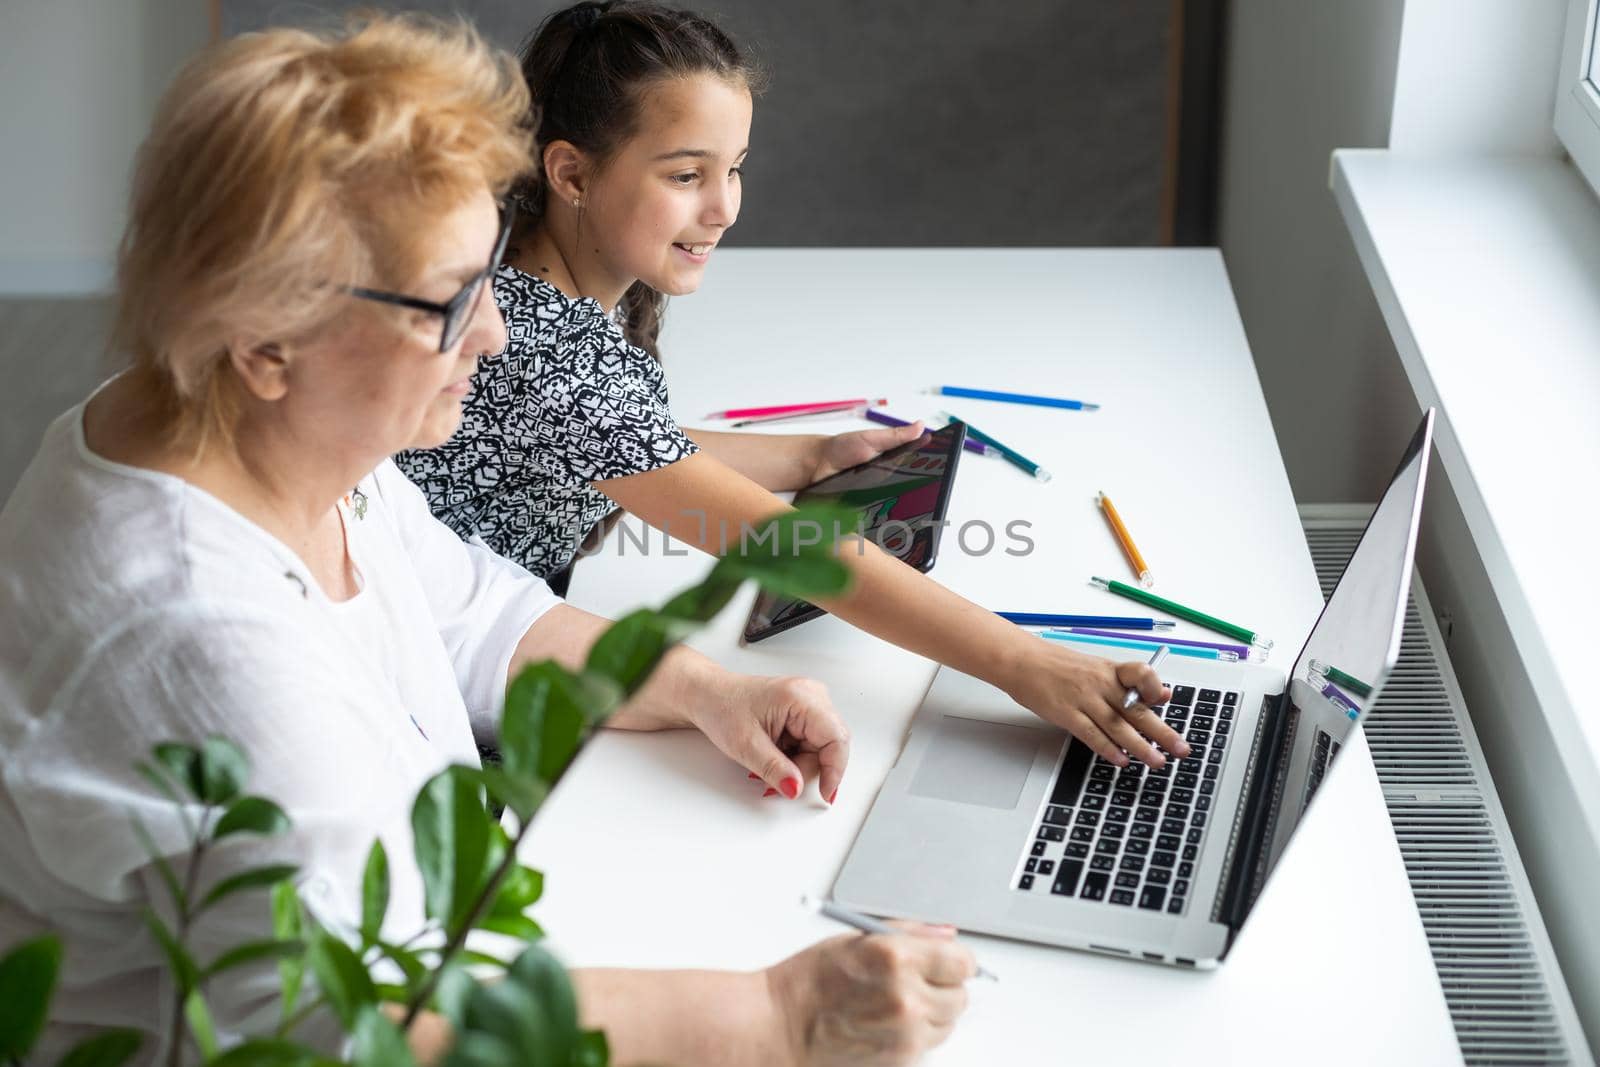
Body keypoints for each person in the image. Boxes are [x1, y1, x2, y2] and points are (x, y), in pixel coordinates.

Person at [0, 16, 972, 1064]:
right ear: (267, 339)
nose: (496, 332)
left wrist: (703, 687)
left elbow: (475, 614)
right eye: (450, 300)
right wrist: (783, 1016)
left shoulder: (266, 424)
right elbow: (359, 1026)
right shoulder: (199, 640)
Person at [396, 0, 1183, 778]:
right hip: (446, 699)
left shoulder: (544, 288)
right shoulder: (545, 350)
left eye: (733, 168)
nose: (723, 206)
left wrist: (811, 455)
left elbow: (626, 445)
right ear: (570, 171)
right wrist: (1027, 662)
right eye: (685, 174)